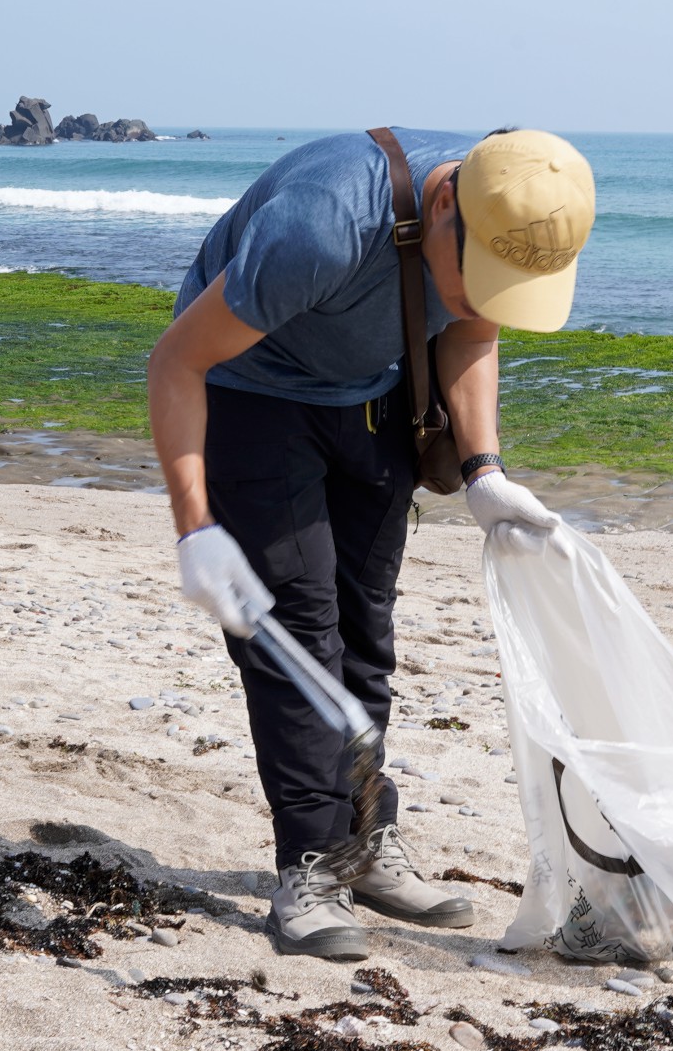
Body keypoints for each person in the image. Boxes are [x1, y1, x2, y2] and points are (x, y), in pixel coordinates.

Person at [147, 126, 596, 960]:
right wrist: (195, 529)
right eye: (478, 276)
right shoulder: (322, 226)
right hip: (254, 396)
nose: (485, 297)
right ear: (438, 207)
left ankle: (364, 841)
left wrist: (484, 471)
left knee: (364, 636)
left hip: (378, 400)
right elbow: (176, 361)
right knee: (297, 638)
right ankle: (308, 867)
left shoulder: (511, 205)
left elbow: (470, 328)